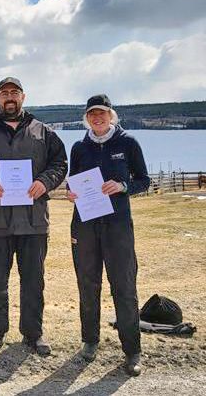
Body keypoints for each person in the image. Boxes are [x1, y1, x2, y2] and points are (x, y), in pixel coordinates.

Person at [0, 77, 67, 356]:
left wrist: (45, 182)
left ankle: (33, 334)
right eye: (4, 93)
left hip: (33, 221)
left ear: (23, 96)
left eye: (14, 92)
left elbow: (60, 164)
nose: (9, 97)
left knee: (33, 279)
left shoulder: (43, 133)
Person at [67, 94, 150, 376]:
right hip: (85, 225)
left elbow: (144, 181)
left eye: (102, 113)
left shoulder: (128, 143)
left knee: (124, 287)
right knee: (88, 284)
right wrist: (70, 193)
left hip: (117, 226)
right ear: (87, 118)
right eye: (92, 114)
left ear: (111, 115)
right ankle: (89, 342)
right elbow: (72, 180)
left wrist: (124, 186)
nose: (97, 118)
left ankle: (132, 351)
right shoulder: (79, 147)